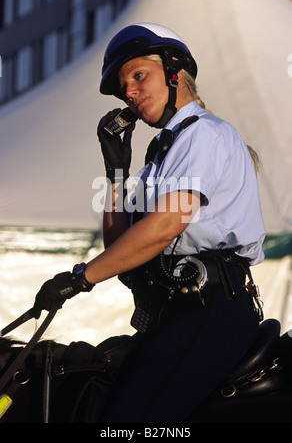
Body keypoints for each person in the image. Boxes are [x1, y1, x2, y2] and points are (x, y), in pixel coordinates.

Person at [32, 23, 266, 423]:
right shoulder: (160, 156)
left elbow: (163, 226)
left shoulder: (202, 134)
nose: (131, 92)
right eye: (125, 88)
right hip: (170, 311)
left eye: (139, 76)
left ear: (175, 71)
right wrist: (116, 171)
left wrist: (82, 278)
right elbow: (121, 243)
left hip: (211, 306)